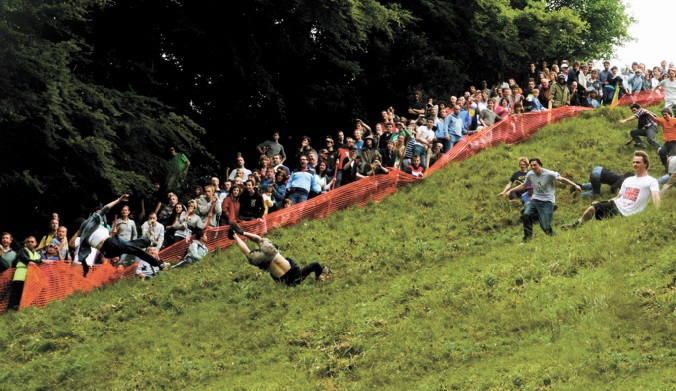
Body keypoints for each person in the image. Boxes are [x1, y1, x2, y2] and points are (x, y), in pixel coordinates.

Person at [563, 151, 660, 229]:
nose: (634, 164)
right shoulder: (628, 180)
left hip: (627, 212)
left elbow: (656, 197)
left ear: (645, 164)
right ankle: (577, 225)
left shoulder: (651, 181)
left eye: (638, 162)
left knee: (596, 209)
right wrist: (606, 202)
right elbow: (619, 197)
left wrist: (656, 215)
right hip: (617, 205)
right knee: (592, 207)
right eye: (633, 162)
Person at [76, 195, 168, 277]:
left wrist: (85, 269)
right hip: (110, 243)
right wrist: (119, 200)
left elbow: (82, 257)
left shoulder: (83, 239)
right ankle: (160, 264)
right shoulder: (90, 222)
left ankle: (148, 242)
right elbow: (105, 208)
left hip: (108, 253)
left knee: (131, 245)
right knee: (136, 250)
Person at [504, 157, 581, 244]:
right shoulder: (530, 174)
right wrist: (511, 190)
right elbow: (524, 185)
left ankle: (555, 238)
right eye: (531, 165)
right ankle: (527, 238)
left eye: (535, 165)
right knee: (526, 214)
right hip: (535, 199)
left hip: (547, 201)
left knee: (545, 227)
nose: (533, 167)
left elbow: (562, 179)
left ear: (540, 165)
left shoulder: (549, 174)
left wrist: (575, 185)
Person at [228, 222, 330, 286]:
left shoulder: (298, 275)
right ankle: (235, 236)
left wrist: (318, 273)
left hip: (273, 254)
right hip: (268, 265)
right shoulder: (285, 283)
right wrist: (318, 276)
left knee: (259, 240)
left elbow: (315, 265)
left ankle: (241, 233)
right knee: (248, 253)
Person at [7, 236, 42, 310]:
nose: (30, 243)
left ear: (36, 243)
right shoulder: (22, 250)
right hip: (20, 277)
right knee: (16, 296)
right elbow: (27, 260)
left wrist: (38, 262)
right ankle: (11, 311)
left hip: (31, 278)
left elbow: (38, 262)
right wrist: (38, 262)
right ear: (25, 243)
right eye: (28, 242)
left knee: (26, 296)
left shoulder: (38, 254)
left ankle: (22, 309)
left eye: (32, 242)